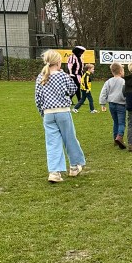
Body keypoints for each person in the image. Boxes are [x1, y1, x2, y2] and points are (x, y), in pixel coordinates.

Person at [34, 49, 86, 183]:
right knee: (70, 139)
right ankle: (74, 166)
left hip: (48, 114)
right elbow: (73, 89)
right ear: (58, 62)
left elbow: (38, 98)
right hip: (63, 112)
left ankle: (54, 172)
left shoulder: (40, 77)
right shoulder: (62, 76)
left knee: (52, 143)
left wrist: (42, 112)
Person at [99, 61, 127, 148]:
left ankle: (115, 139)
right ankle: (119, 137)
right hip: (121, 104)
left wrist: (102, 104)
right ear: (121, 71)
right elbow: (126, 93)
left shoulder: (108, 81)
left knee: (116, 122)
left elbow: (103, 93)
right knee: (121, 123)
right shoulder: (123, 82)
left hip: (111, 104)